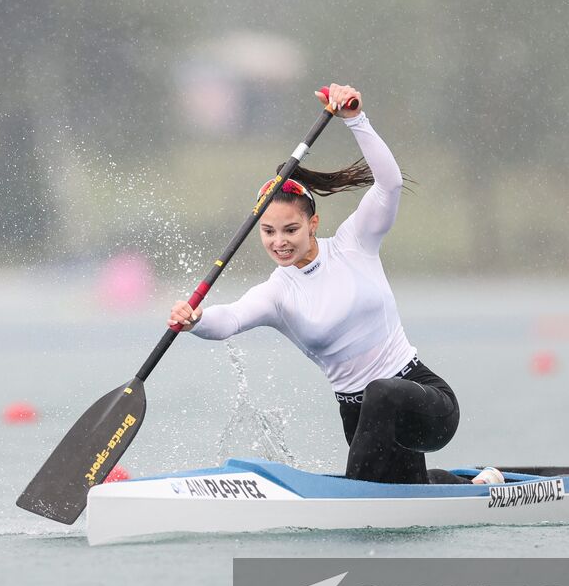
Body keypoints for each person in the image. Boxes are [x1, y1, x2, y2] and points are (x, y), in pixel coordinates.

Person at [169, 84, 501, 486]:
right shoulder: (277, 294)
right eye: (269, 232)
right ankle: (478, 485)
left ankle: (354, 495)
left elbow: (389, 184)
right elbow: (231, 319)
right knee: (404, 491)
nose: (280, 242)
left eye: (290, 229)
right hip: (360, 420)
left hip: (422, 400)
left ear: (313, 223)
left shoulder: (353, 244)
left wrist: (355, 119)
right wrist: (195, 319)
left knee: (381, 391)